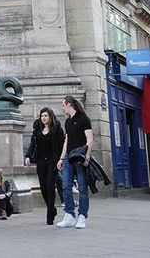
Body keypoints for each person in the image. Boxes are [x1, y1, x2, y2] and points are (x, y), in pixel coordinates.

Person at [56, 95, 93, 229]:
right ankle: (69, 215)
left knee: (82, 188)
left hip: (80, 157)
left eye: (63, 105)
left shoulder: (84, 119)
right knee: (66, 186)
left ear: (69, 105)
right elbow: (67, 141)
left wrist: (87, 157)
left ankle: (82, 216)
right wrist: (61, 158)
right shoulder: (67, 122)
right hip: (68, 158)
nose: (63, 108)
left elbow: (89, 139)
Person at [25, 107, 66, 224]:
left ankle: (49, 217)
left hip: (53, 161)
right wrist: (28, 156)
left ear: (50, 116)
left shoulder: (57, 129)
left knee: (50, 186)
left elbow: (62, 145)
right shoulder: (37, 129)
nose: (43, 118)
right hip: (41, 161)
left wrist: (61, 159)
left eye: (46, 116)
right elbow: (32, 144)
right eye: (42, 116)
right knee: (43, 188)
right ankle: (52, 208)